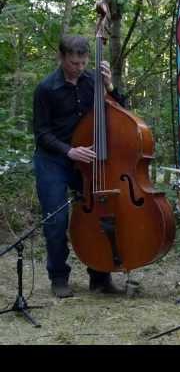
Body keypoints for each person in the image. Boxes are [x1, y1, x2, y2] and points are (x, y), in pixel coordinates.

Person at [33, 35, 126, 298]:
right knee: (56, 219)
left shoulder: (93, 82)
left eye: (83, 62)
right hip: (54, 160)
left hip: (87, 161)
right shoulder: (45, 89)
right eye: (73, 62)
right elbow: (41, 134)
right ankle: (59, 277)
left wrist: (109, 86)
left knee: (101, 213)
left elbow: (122, 111)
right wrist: (69, 150)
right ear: (61, 58)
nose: (78, 67)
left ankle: (99, 276)